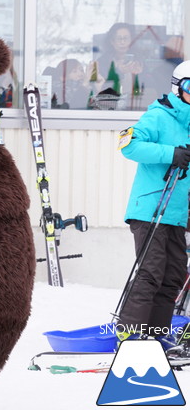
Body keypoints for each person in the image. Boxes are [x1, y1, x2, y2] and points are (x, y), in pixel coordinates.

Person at [115, 60, 190, 351]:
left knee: (173, 275)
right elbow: (128, 144)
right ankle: (129, 336)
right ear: (178, 87)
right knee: (151, 272)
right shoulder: (160, 115)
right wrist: (170, 153)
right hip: (150, 210)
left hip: (176, 213)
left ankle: (156, 337)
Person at [96, 23, 144, 97]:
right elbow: (101, 90)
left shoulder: (138, 59)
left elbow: (149, 86)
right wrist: (119, 72)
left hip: (134, 104)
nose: (122, 42)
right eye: (119, 38)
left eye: (126, 38)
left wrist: (140, 74)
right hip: (109, 104)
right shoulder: (102, 62)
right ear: (112, 41)